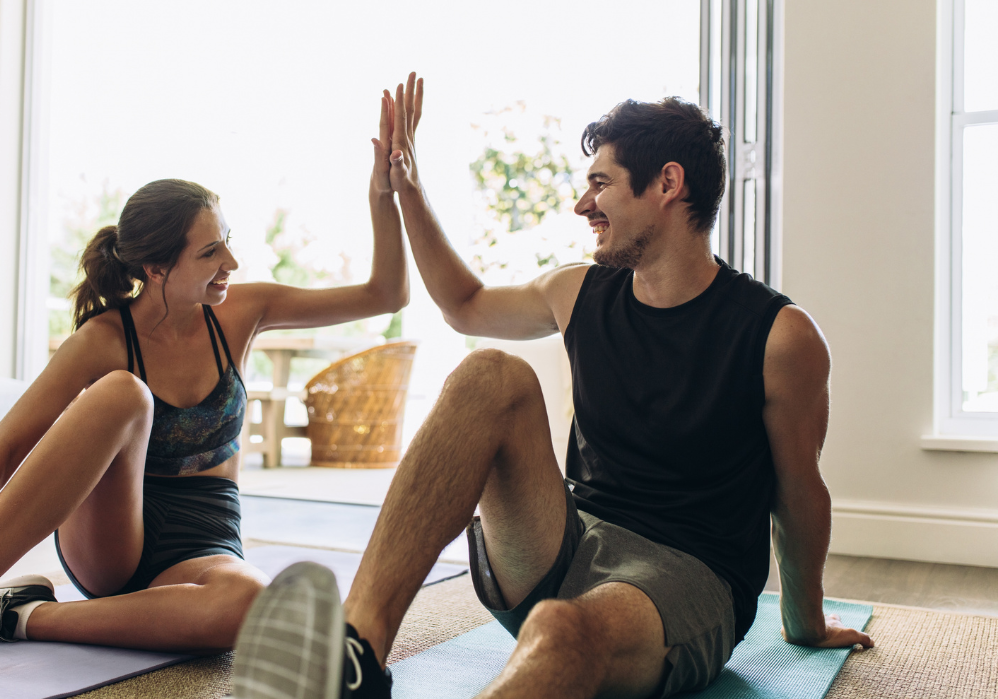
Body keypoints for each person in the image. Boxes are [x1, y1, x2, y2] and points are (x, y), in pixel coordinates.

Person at [230, 73, 874, 699]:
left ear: (668, 184)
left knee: (561, 631)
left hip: (687, 579)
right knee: (490, 373)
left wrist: (805, 623)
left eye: (601, 184)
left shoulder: (779, 334)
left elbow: (798, 489)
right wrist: (409, 190)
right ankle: (355, 659)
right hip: (563, 540)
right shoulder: (579, 292)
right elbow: (465, 305)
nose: (581, 204)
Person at [0, 94, 409, 682]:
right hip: (113, 536)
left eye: (227, 239)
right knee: (124, 394)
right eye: (210, 251)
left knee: (251, 602)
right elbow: (2, 449)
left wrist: (384, 194)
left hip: (204, 540)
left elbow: (387, 293)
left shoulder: (244, 312)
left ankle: (13, 616)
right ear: (156, 269)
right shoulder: (103, 339)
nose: (232, 261)